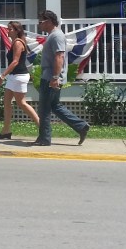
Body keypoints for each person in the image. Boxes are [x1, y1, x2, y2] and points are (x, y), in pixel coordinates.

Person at [34, 9, 90, 146]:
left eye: (41, 22)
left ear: (49, 21)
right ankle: (81, 126)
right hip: (51, 77)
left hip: (50, 78)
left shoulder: (57, 36)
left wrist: (54, 77)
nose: (39, 25)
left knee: (44, 109)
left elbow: (59, 57)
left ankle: (44, 139)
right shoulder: (53, 35)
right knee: (55, 106)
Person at [0, 21, 41, 139]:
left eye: (10, 29)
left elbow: (15, 61)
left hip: (19, 76)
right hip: (14, 77)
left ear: (17, 31)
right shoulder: (16, 42)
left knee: (21, 103)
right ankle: (6, 131)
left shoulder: (18, 43)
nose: (8, 31)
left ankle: (42, 127)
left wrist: (3, 75)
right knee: (7, 102)